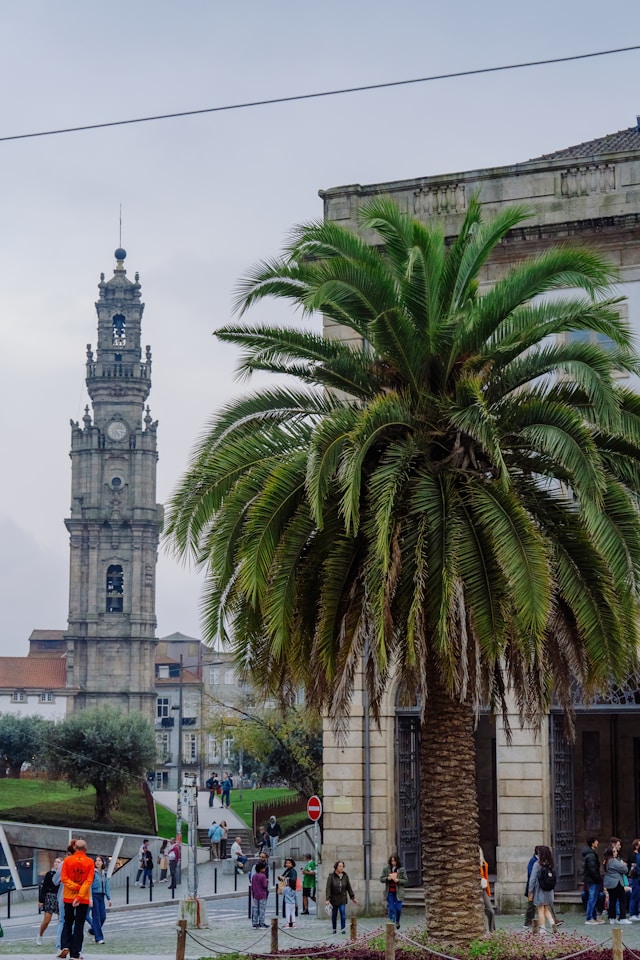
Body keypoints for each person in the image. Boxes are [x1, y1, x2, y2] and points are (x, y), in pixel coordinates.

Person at [58, 837, 94, 960]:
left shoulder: (67, 861)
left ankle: (65, 945)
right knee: (79, 924)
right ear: (86, 849)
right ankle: (75, 953)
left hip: (68, 896)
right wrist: (80, 893)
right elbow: (89, 881)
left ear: (74, 848)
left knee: (67, 921)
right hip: (83, 898)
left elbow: (64, 879)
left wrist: (74, 887)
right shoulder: (90, 862)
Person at [528, 844, 556, 935]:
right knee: (546, 908)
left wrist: (530, 891)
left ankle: (543, 929)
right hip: (549, 890)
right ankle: (552, 924)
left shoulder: (537, 864)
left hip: (540, 890)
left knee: (540, 909)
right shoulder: (550, 864)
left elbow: (532, 879)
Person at [325, 859, 358, 935]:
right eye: (340, 866)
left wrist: (352, 897)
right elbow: (328, 888)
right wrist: (328, 899)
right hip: (334, 898)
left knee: (343, 913)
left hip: (342, 898)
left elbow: (349, 887)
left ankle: (343, 929)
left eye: (342, 866)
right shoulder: (331, 876)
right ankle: (334, 928)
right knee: (334, 914)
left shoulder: (345, 876)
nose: (341, 868)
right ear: (336, 867)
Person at [603, 841, 631, 924]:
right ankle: (622, 918)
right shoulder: (614, 861)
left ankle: (612, 917)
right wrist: (623, 864)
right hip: (617, 882)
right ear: (611, 853)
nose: (616, 853)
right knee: (622, 899)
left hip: (609, 883)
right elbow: (625, 869)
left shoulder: (606, 861)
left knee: (612, 900)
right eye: (614, 851)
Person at [87, 855, 111, 944]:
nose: (97, 862)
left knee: (103, 916)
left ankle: (92, 931)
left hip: (102, 896)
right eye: (96, 861)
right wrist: (90, 899)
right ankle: (99, 938)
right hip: (94, 895)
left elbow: (106, 886)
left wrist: (109, 898)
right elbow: (89, 886)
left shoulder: (104, 873)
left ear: (102, 862)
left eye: (99, 860)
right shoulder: (92, 872)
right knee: (96, 917)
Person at [36, 858, 61, 945]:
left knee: (61, 920)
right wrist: (41, 900)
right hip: (50, 896)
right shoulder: (49, 874)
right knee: (47, 920)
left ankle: (61, 938)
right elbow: (44, 888)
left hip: (59, 896)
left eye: (59, 862)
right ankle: (40, 935)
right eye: (55, 862)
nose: (56, 864)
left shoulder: (63, 873)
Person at [380, 853, 407, 929]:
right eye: (392, 861)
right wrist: (387, 878)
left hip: (398, 893)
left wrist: (398, 880)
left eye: (394, 861)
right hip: (390, 892)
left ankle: (397, 921)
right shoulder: (386, 869)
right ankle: (392, 923)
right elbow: (381, 878)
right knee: (391, 908)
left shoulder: (401, 869)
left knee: (398, 908)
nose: (393, 863)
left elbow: (405, 880)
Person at [582, 837, 604, 924]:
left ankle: (594, 917)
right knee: (592, 898)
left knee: (594, 898)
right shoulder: (591, 855)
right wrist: (598, 879)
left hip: (592, 879)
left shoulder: (591, 854)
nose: (597, 842)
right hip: (592, 880)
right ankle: (589, 918)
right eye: (596, 841)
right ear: (593, 843)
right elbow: (593, 869)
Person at [479, 847, 495, 933]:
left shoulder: (483, 864)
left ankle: (493, 931)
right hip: (476, 889)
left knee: (491, 911)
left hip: (484, 889)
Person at [251, 859, 269, 928]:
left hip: (256, 895)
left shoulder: (254, 876)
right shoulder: (263, 876)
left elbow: (252, 885)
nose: (264, 869)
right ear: (261, 869)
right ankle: (261, 922)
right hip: (262, 894)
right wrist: (266, 881)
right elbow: (264, 885)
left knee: (255, 909)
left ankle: (255, 922)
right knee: (262, 909)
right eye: (264, 868)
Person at [627, 838, 640, 920]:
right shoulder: (633, 856)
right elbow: (633, 868)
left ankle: (637, 913)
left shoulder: (638, 855)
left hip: (637, 877)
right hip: (635, 878)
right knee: (634, 895)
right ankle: (632, 914)